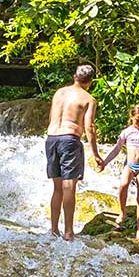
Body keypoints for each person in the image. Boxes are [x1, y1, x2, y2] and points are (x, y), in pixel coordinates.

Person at [45, 64, 102, 241]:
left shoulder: (59, 93)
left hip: (51, 138)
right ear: (90, 82)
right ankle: (68, 232)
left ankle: (54, 229)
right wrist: (95, 153)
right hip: (69, 139)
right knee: (69, 186)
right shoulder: (88, 99)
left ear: (75, 76)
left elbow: (51, 117)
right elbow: (89, 127)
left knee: (57, 188)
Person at [99, 104, 139, 241]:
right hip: (129, 165)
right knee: (123, 185)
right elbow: (116, 149)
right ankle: (122, 212)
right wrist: (105, 162)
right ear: (132, 117)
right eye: (138, 120)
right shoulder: (126, 132)